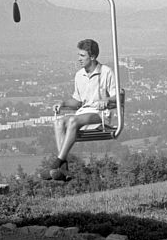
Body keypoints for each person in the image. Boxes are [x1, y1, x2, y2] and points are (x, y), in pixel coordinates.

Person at [41, 39, 117, 180]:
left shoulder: (106, 72)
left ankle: (57, 163)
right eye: (79, 55)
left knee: (73, 121)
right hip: (83, 113)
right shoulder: (79, 75)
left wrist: (106, 100)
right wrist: (63, 103)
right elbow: (77, 102)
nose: (79, 59)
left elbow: (117, 97)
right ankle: (63, 167)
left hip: (99, 114)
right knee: (59, 122)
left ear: (92, 56)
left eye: (82, 56)